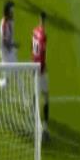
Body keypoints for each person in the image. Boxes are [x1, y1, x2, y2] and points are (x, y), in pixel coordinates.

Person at [32, 12, 49, 140]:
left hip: (34, 66)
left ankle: (34, 122)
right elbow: (42, 53)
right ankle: (44, 128)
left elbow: (33, 50)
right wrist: (43, 68)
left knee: (36, 96)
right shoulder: (43, 35)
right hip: (41, 69)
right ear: (45, 20)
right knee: (45, 97)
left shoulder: (34, 31)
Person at [0, 0, 19, 88]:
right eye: (11, 10)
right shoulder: (4, 24)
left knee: (14, 74)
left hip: (10, 52)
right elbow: (4, 42)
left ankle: (1, 87)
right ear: (7, 11)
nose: (13, 12)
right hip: (6, 54)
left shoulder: (10, 21)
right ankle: (24, 94)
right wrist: (13, 45)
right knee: (15, 74)